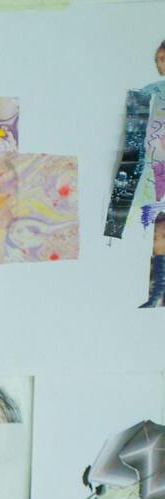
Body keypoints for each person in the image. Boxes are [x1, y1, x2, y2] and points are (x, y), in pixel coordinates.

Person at [104, 40, 165, 307]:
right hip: (151, 170)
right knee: (154, 232)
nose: (163, 63)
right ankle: (155, 294)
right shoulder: (146, 94)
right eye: (161, 59)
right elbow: (132, 142)